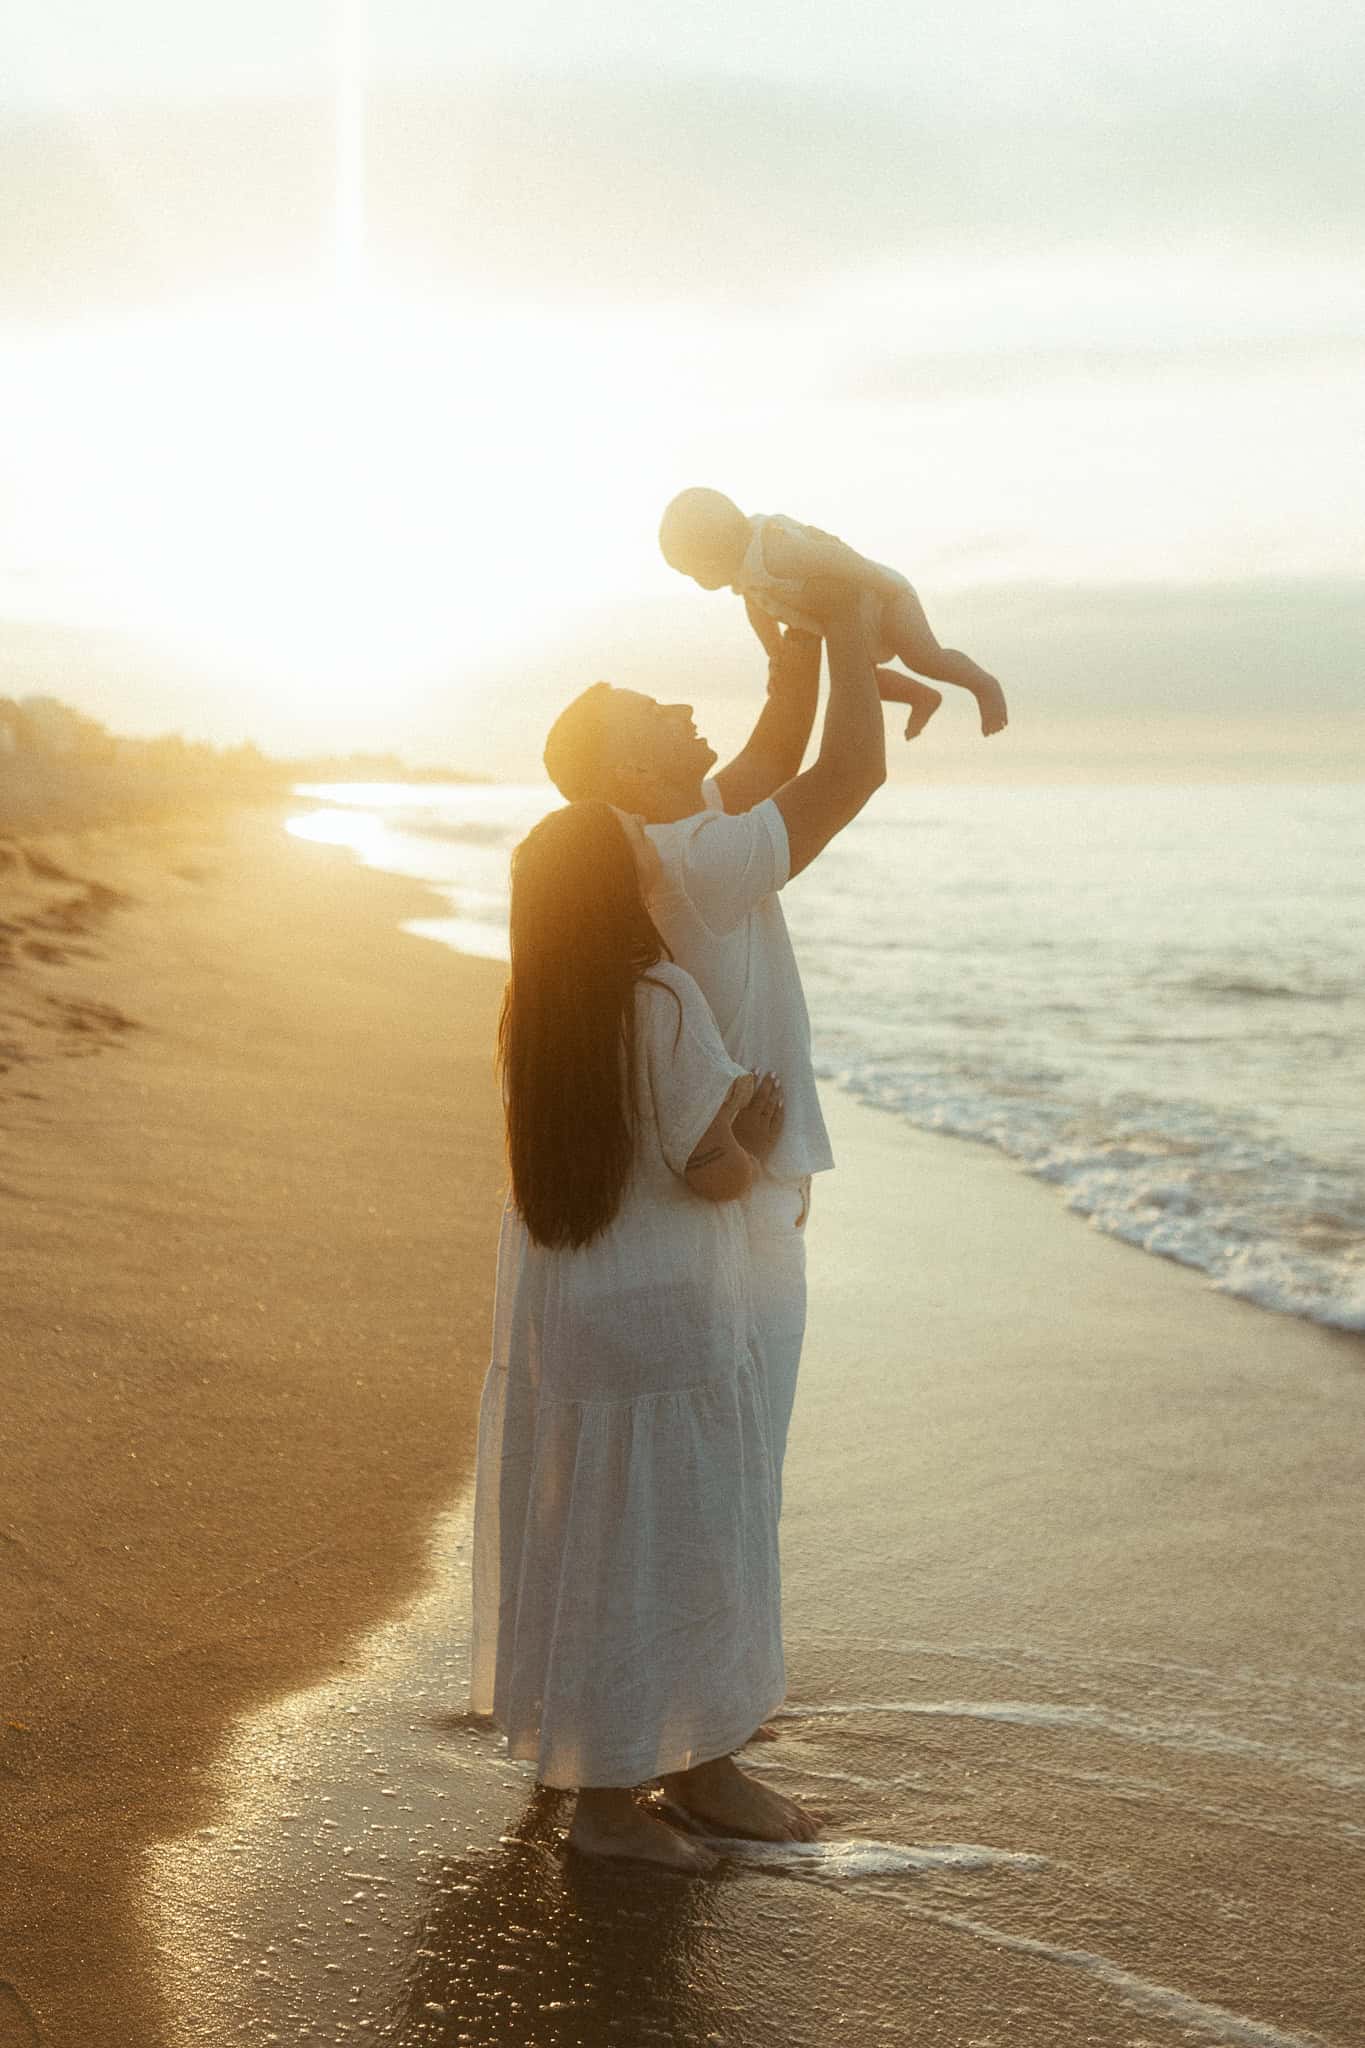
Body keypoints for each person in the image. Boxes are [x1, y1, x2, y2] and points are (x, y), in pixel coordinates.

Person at [469, 800, 818, 1870]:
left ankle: (629, 1773)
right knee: (686, 1547)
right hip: (667, 1322)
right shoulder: (662, 999)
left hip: (577, 1317)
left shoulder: (533, 1011)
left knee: (599, 1548)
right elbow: (706, 1173)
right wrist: (753, 1139)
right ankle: (636, 1800)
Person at [540, 579, 886, 1507]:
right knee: (738, 1480)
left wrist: (799, 642)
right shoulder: (697, 861)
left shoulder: (665, 840)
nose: (681, 708)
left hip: (716, 1183)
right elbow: (851, 771)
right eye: (652, 713)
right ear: (628, 773)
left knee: (719, 1476)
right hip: (739, 1194)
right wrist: (848, 618)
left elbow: (776, 753)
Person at [658, 484, 1008, 740]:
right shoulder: (745, 572)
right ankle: (921, 697)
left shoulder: (774, 551)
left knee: (924, 657)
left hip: (883, 599)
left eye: (693, 571)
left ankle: (983, 685)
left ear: (717, 552)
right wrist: (775, 654)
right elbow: (757, 612)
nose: (696, 580)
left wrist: (881, 583)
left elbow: (832, 558)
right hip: (851, 620)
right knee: (864, 681)